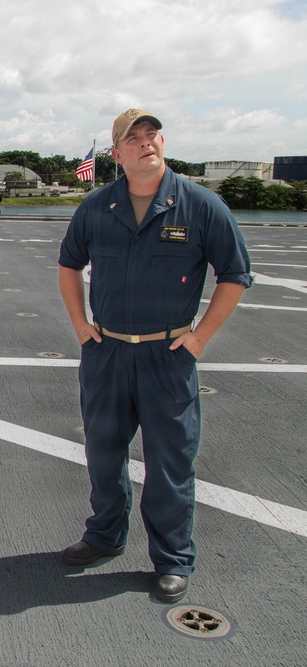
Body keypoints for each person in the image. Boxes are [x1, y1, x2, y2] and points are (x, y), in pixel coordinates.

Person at [57, 108, 252, 604]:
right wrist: (80, 325)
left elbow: (234, 275)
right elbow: (69, 265)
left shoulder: (201, 205)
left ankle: (172, 559)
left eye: (152, 134)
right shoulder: (96, 206)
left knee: (169, 462)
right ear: (117, 154)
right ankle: (104, 536)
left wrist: (200, 338)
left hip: (168, 356)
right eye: (134, 138)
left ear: (162, 143)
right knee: (103, 454)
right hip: (107, 352)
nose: (146, 142)